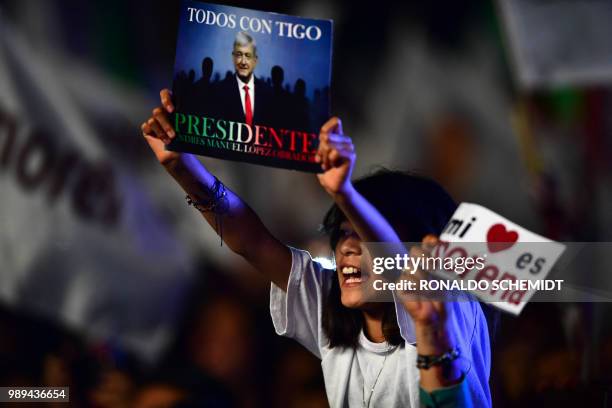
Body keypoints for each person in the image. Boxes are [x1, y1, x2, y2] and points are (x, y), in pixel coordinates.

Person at [141, 89, 492, 407]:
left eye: (365, 231)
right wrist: (183, 168)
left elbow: (396, 264)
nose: (348, 247)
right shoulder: (329, 311)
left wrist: (345, 194)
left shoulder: (450, 303)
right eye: (342, 233)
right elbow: (251, 241)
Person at [210, 31, 274, 128]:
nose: (243, 62)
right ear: (233, 57)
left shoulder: (268, 92)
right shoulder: (219, 90)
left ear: (255, 60)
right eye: (239, 55)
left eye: (248, 56)